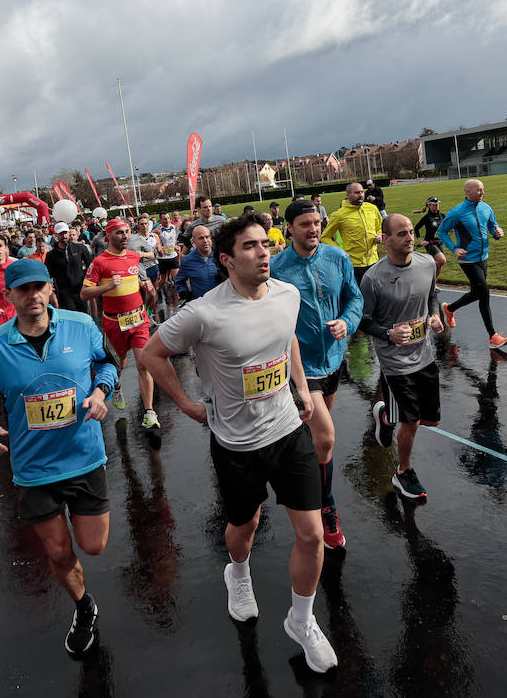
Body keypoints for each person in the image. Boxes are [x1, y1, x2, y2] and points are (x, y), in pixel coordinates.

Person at [142, 213, 337, 673]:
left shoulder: (287, 294)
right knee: (244, 529)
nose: (264, 251)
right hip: (236, 444)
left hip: (288, 431)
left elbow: (285, 333)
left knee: (311, 534)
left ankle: (302, 620)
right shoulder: (204, 313)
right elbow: (152, 354)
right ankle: (239, 573)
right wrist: (189, 406)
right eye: (250, 246)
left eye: (265, 243)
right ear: (227, 260)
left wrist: (302, 386)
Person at [0, 259, 119, 656]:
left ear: (49, 289)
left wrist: (100, 392)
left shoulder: (79, 326)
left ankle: (81, 583)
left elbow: (106, 363)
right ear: (8, 296)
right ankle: (83, 606)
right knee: (59, 552)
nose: (32, 296)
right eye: (22, 289)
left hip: (84, 456)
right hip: (33, 470)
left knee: (93, 546)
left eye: (38, 287)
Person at [271, 200, 363, 549]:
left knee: (316, 441)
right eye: (305, 224)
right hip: (301, 368)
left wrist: (347, 322)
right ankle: (326, 506)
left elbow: (354, 298)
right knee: (325, 437)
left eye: (317, 222)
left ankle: (307, 466)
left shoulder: (337, 257)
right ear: (289, 228)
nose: (313, 229)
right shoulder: (278, 268)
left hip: (334, 362)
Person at [361, 214, 446, 502]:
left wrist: (434, 315)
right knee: (411, 422)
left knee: (429, 420)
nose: (409, 237)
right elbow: (364, 321)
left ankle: (385, 415)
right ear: (386, 239)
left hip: (425, 354)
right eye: (401, 234)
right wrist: (387, 335)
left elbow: (432, 295)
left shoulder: (426, 264)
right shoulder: (373, 278)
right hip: (395, 363)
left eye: (410, 232)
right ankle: (403, 471)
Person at [81, 219, 158, 427]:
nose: (125, 236)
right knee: (118, 364)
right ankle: (115, 386)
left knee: (144, 364)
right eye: (119, 233)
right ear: (109, 237)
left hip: (139, 319)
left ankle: (149, 412)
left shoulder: (133, 257)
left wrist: (144, 284)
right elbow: (84, 293)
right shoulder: (99, 262)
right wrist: (106, 288)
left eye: (126, 232)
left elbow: (135, 279)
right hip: (114, 322)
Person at [437, 179, 507, 348]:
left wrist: (497, 232)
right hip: (467, 259)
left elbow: (492, 226)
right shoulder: (457, 212)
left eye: (483, 189)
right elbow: (442, 231)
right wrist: (454, 248)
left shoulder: (486, 208)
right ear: (467, 192)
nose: (482, 193)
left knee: (477, 293)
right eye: (478, 190)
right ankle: (493, 336)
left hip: (483, 257)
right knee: (484, 293)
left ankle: (449, 308)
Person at [321, 182, 383, 284]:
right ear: (347, 195)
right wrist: (340, 251)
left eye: (362, 192)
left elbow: (380, 228)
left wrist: (380, 236)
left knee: (376, 295)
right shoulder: (339, 215)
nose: (361, 195)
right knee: (359, 297)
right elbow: (325, 237)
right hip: (354, 265)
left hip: (374, 262)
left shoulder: (372, 208)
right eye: (357, 192)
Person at [44, 221, 93, 311]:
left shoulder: (80, 248)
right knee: (71, 318)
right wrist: (52, 293)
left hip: (80, 290)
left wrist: (88, 283)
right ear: (56, 235)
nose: (64, 236)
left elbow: (91, 266)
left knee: (83, 316)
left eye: (65, 233)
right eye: (61, 234)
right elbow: (47, 275)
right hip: (64, 294)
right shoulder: (51, 255)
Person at [175, 224, 220, 302]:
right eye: (201, 238)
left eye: (207, 237)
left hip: (222, 302)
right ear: (193, 241)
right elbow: (179, 281)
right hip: (202, 304)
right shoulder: (187, 260)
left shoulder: (221, 256)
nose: (205, 241)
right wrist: (183, 292)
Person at [413, 197, 447, 273]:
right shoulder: (427, 217)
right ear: (429, 206)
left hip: (439, 242)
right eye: (434, 204)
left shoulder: (442, 216)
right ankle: (423, 264)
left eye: (437, 204)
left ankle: (433, 282)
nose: (437, 205)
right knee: (441, 260)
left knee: (439, 265)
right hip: (429, 243)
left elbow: (445, 227)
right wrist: (421, 241)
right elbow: (416, 229)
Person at [154, 212, 181, 298]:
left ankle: (180, 296)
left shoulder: (173, 227)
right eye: (164, 219)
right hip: (163, 258)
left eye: (168, 218)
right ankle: (157, 289)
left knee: (176, 277)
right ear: (160, 220)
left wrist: (176, 245)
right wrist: (159, 247)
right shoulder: (157, 230)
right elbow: (153, 239)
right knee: (164, 280)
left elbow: (174, 239)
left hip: (173, 256)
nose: (167, 220)